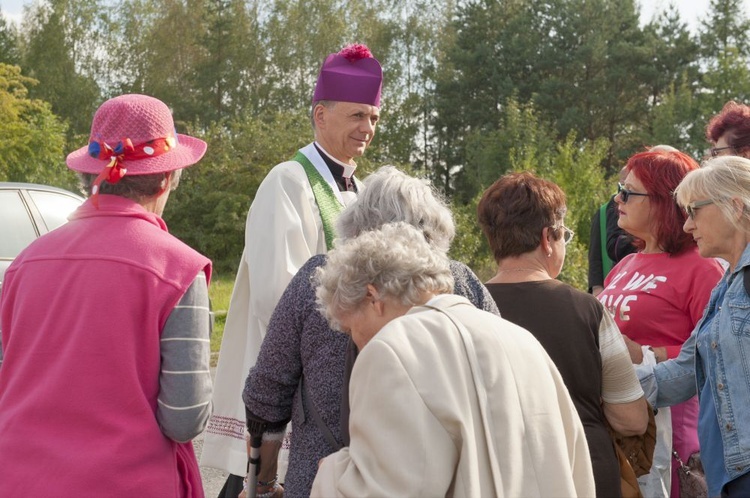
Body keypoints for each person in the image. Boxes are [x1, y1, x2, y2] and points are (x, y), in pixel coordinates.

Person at [241, 166, 499, 498]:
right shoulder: (463, 282)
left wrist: (262, 485)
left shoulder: (318, 278)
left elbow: (267, 394)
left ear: (357, 227)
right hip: (448, 484)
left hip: (326, 484)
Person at [0, 94, 212, 497]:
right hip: (127, 483)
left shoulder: (24, 264)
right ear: (167, 179)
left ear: (92, 174)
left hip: (18, 480)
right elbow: (184, 418)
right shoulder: (178, 269)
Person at [202, 44, 383, 495]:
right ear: (321, 116)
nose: (367, 129)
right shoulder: (288, 180)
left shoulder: (359, 188)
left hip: (336, 383)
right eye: (357, 116)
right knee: (254, 482)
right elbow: (275, 295)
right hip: (289, 383)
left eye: (374, 118)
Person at [309, 222, 596, 497]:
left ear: (372, 297)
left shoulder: (391, 350)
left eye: (349, 329)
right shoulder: (521, 339)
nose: (355, 342)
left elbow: (391, 489)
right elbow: (577, 470)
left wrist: (333, 471)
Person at [477, 171, 648, 497]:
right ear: (547, 238)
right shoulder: (588, 310)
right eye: (564, 236)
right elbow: (631, 419)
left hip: (496, 477)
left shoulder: (466, 309)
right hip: (582, 473)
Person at [597, 148, 724, 497]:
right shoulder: (625, 266)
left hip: (674, 434)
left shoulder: (700, 266)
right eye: (619, 189)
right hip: (622, 423)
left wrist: (647, 352)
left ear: (663, 201)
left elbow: (716, 349)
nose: (617, 199)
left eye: (628, 192)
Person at [636, 155, 750, 497]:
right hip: (727, 477)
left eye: (694, 211)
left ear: (735, 206)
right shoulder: (725, 288)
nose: (687, 226)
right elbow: (683, 374)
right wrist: (602, 379)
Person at [588, 167, 637, 295]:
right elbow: (595, 252)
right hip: (611, 283)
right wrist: (596, 287)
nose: (621, 196)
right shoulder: (604, 211)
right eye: (622, 187)